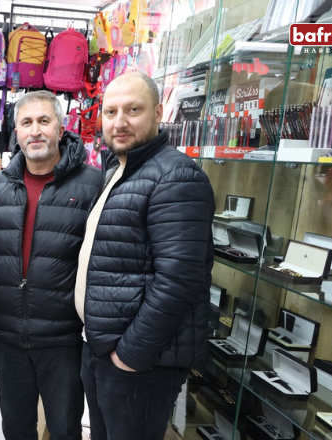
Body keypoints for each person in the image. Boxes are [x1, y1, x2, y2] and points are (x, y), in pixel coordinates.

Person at [75, 72, 215, 440]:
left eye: (132, 110)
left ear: (157, 113)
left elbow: (179, 280)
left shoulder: (176, 176)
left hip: (140, 361)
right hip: (103, 346)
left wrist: (130, 356)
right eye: (110, 111)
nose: (119, 122)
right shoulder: (119, 169)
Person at [0, 90, 101, 440]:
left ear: (61, 128)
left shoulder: (94, 184)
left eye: (44, 121)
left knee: (65, 428)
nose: (35, 131)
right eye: (26, 123)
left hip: (63, 336)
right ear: (16, 132)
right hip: (6, 334)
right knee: (16, 427)